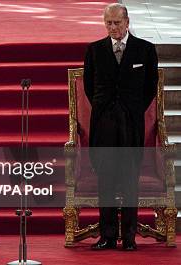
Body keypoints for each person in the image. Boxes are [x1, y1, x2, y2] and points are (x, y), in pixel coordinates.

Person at [84, 3, 158, 251]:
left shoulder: (145, 50)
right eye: (108, 23)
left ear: (127, 22)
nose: (112, 27)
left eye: (116, 23)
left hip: (130, 125)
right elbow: (89, 86)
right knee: (105, 179)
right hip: (104, 124)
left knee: (129, 180)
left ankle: (128, 237)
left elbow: (150, 87)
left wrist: (130, 109)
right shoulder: (94, 50)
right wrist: (105, 108)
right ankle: (106, 236)